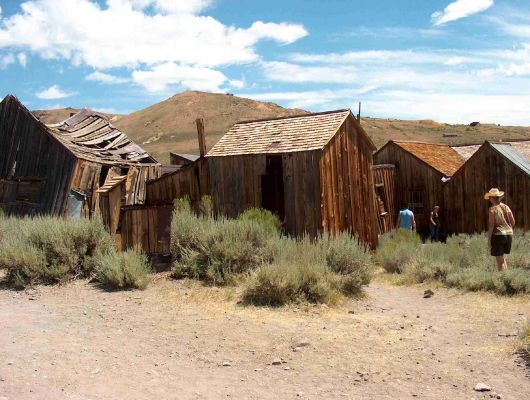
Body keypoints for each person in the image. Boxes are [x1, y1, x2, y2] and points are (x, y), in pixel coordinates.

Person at [485, 188, 515, 272]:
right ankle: (506, 277)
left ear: (491, 198)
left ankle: (501, 280)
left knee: (499, 260)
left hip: (498, 235)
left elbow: (491, 225)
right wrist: (507, 230)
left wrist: (489, 239)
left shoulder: (492, 209)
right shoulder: (506, 207)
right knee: (502, 258)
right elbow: (513, 222)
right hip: (509, 234)